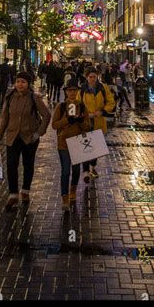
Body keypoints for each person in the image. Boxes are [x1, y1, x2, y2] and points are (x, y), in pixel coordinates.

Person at [0, 72, 51, 210]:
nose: (20, 84)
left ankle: (25, 191)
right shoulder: (9, 98)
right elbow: (4, 118)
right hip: (13, 136)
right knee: (11, 164)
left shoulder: (33, 98)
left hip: (29, 137)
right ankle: (13, 194)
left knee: (28, 164)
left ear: (28, 84)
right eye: (18, 81)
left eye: (23, 82)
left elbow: (46, 114)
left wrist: (39, 133)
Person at [52, 80, 91, 211]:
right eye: (70, 90)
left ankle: (73, 189)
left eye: (75, 90)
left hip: (77, 142)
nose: (72, 93)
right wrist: (67, 120)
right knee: (65, 170)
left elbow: (88, 126)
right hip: (63, 143)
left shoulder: (82, 107)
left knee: (75, 171)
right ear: (66, 92)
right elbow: (54, 125)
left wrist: (80, 121)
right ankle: (65, 197)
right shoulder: (61, 107)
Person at [77, 66, 115, 183]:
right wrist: (85, 115)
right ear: (86, 77)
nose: (93, 79)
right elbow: (78, 105)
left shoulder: (103, 88)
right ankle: (85, 172)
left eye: (94, 77)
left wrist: (102, 111)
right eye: (90, 77)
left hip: (98, 121)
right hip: (86, 122)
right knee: (86, 146)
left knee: (95, 149)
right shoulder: (82, 90)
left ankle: (93, 166)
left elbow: (111, 102)